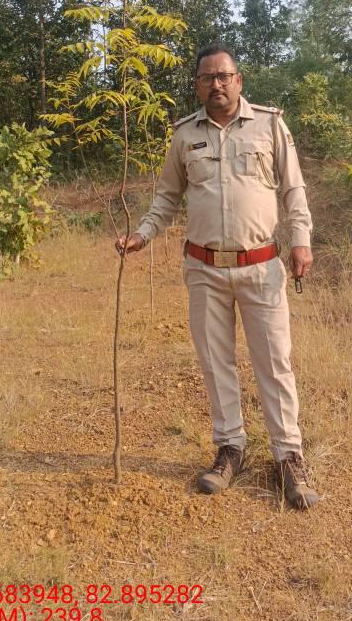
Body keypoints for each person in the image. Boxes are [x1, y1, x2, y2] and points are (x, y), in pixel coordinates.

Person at [115, 41, 318, 510]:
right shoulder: (185, 135)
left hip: (260, 267)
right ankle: (230, 448)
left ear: (239, 81)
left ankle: (288, 456)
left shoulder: (270, 124)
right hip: (204, 268)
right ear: (197, 86)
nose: (217, 84)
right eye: (207, 78)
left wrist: (301, 239)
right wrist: (143, 234)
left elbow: (293, 188)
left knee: (275, 363)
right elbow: (167, 196)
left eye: (224, 76)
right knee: (215, 361)